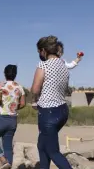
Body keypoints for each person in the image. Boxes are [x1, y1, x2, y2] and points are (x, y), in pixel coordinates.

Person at [31, 36, 72, 169]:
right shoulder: (63, 65)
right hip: (62, 110)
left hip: (48, 112)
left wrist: (34, 94)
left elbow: (35, 89)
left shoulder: (43, 65)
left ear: (43, 50)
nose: (39, 55)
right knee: (42, 145)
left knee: (52, 151)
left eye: (38, 52)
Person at [0, 65, 26, 169]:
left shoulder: (0, 85)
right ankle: (8, 165)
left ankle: (3, 160)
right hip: (12, 120)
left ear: (4, 73)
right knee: (8, 147)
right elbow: (23, 104)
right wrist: (13, 108)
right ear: (15, 74)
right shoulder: (20, 87)